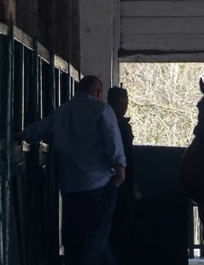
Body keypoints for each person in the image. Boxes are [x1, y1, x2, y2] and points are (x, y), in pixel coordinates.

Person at [20, 75, 126, 265]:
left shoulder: (61, 112)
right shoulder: (102, 110)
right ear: (98, 92)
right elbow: (113, 141)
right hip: (99, 185)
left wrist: (20, 134)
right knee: (97, 239)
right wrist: (120, 172)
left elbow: (37, 130)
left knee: (75, 242)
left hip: (70, 188)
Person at [106, 86, 141, 265]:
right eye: (121, 104)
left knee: (122, 223)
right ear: (111, 104)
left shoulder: (123, 126)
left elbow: (130, 158)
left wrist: (131, 182)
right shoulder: (108, 124)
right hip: (110, 181)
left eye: (126, 104)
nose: (125, 107)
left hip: (122, 182)